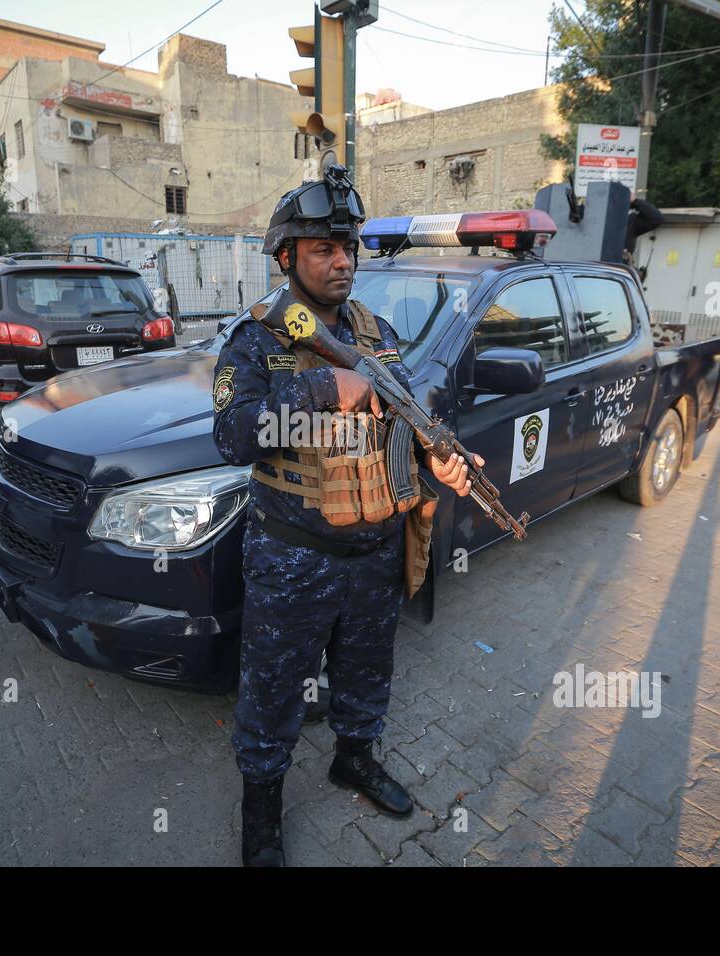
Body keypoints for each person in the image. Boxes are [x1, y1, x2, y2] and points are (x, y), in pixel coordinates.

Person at [212, 167, 481, 866]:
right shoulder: (257, 341)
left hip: (375, 550)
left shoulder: (377, 331)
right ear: (286, 258)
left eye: (348, 248)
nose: (342, 261)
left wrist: (439, 466)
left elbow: (403, 424)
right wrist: (322, 384)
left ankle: (353, 760)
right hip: (293, 555)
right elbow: (235, 437)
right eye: (324, 249)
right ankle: (262, 813)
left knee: (367, 671)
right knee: (273, 693)